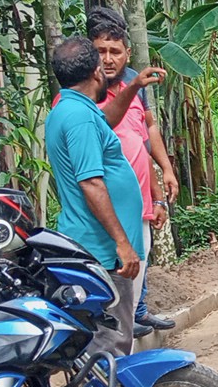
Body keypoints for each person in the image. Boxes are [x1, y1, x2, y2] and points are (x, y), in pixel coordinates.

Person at [44, 35, 146, 358]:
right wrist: (122, 242)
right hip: (102, 250)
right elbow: (91, 183)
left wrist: (132, 87)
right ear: (97, 72)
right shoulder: (80, 118)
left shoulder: (71, 109)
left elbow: (106, 120)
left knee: (109, 339)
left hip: (94, 245)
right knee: (110, 344)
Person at [85, 7, 178, 337]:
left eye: (115, 51)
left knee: (141, 253)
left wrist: (163, 177)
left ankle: (137, 312)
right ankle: (118, 326)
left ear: (127, 52)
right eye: (101, 51)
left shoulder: (134, 82)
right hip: (107, 200)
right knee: (117, 264)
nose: (108, 59)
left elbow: (144, 134)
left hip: (139, 193)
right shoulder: (86, 91)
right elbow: (103, 124)